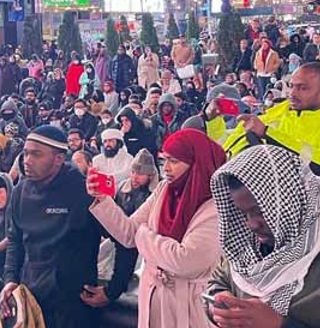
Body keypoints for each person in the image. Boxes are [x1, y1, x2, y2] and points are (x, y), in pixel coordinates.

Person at [87, 128, 226, 328]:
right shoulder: (164, 190)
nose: (166, 168)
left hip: (189, 306)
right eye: (164, 161)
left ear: (197, 163)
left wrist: (143, 236)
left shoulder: (216, 207)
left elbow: (185, 260)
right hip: (153, 298)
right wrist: (102, 200)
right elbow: (128, 234)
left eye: (174, 161)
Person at [207, 145, 320, 327]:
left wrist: (280, 324)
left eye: (261, 212)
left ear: (289, 200)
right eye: (244, 214)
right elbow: (219, 280)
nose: (251, 225)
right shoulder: (249, 246)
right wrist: (219, 303)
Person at [0, 125, 101, 327]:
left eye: (36, 154)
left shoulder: (83, 191)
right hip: (31, 295)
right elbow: (15, 240)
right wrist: (10, 278)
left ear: (58, 159)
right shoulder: (20, 191)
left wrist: (114, 288)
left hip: (73, 303)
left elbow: (124, 237)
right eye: (26, 153)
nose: (27, 160)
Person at [83, 149, 157, 308]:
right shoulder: (123, 188)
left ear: (150, 175)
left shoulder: (154, 195)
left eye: (141, 173)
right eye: (133, 171)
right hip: (119, 232)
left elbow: (131, 232)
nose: (135, 177)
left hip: (139, 240)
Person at [224, 62, 320, 171]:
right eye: (291, 86)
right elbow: (225, 143)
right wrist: (211, 120)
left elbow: (314, 163)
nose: (292, 93)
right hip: (222, 173)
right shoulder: (276, 111)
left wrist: (268, 133)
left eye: (302, 88)